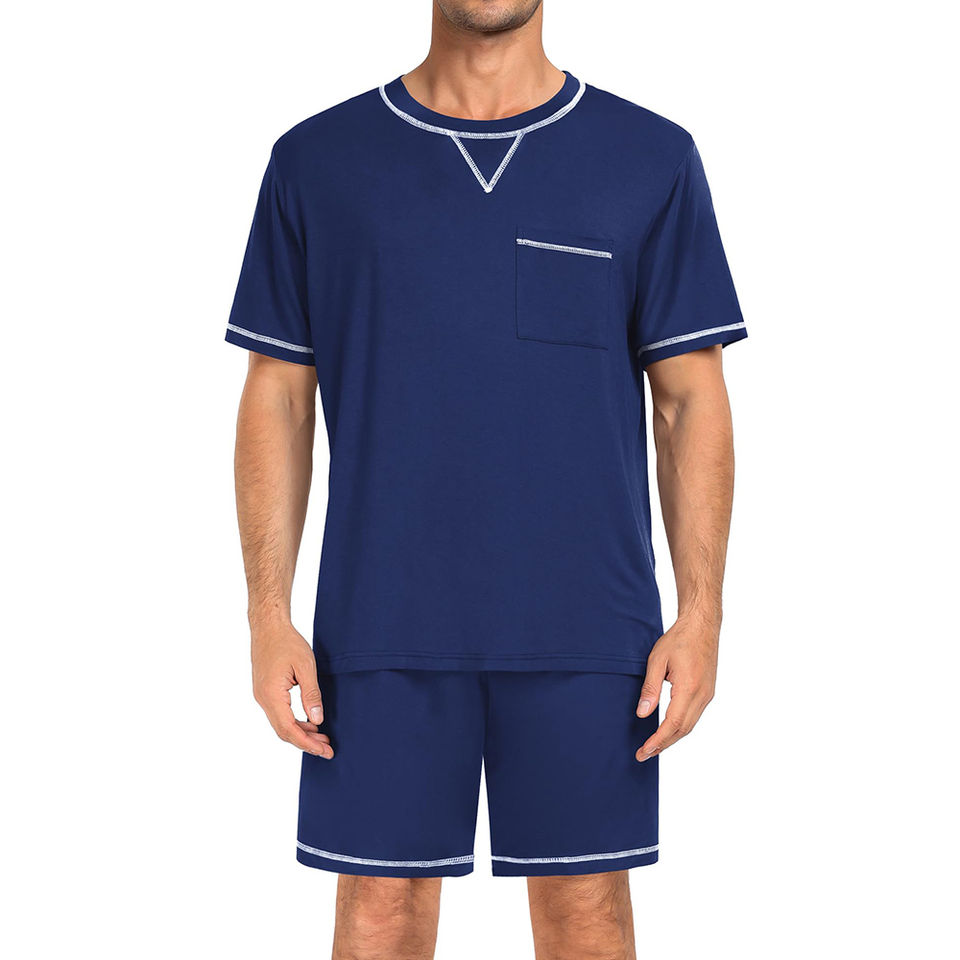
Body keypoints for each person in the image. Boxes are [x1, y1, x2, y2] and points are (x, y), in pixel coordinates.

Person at [228, 1, 745, 956]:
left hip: (589, 626)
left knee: (586, 910)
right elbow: (280, 398)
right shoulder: (317, 162)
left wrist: (702, 612)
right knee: (378, 909)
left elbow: (689, 400)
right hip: (379, 623)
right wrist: (267, 614)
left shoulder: (650, 158)